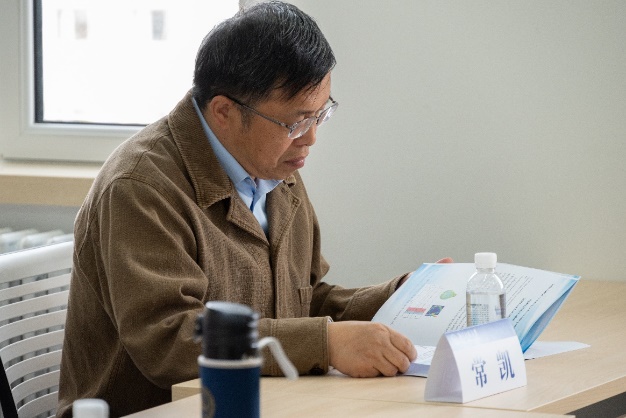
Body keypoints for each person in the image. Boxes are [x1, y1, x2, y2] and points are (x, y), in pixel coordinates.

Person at [57, 2, 449, 416]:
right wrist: (326, 343)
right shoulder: (140, 188)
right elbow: (170, 343)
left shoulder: (273, 168)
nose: (311, 138)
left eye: (321, 115)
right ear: (224, 112)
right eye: (296, 122)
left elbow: (301, 302)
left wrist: (397, 297)